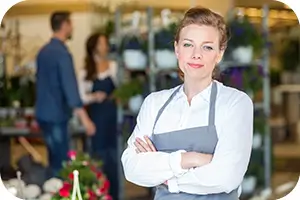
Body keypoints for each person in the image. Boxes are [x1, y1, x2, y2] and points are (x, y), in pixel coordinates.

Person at [121, 7, 253, 200]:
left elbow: (226, 177)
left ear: (220, 53)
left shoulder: (235, 103)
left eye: (207, 47)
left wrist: (167, 178)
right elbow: (131, 167)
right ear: (176, 49)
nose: (196, 54)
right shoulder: (154, 104)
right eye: (188, 45)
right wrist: (190, 159)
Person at [35, 11, 96, 178]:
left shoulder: (43, 52)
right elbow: (70, 89)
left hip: (43, 114)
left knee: (53, 160)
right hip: (57, 115)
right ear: (65, 25)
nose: (72, 28)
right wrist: (86, 121)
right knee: (62, 166)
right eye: (71, 24)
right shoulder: (62, 53)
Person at [77, 32, 119, 200]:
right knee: (98, 156)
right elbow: (81, 96)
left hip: (113, 116)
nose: (106, 46)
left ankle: (115, 195)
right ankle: (98, 194)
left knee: (114, 157)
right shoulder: (85, 71)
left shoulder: (114, 66)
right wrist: (94, 96)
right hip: (96, 117)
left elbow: (122, 89)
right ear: (94, 46)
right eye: (103, 43)